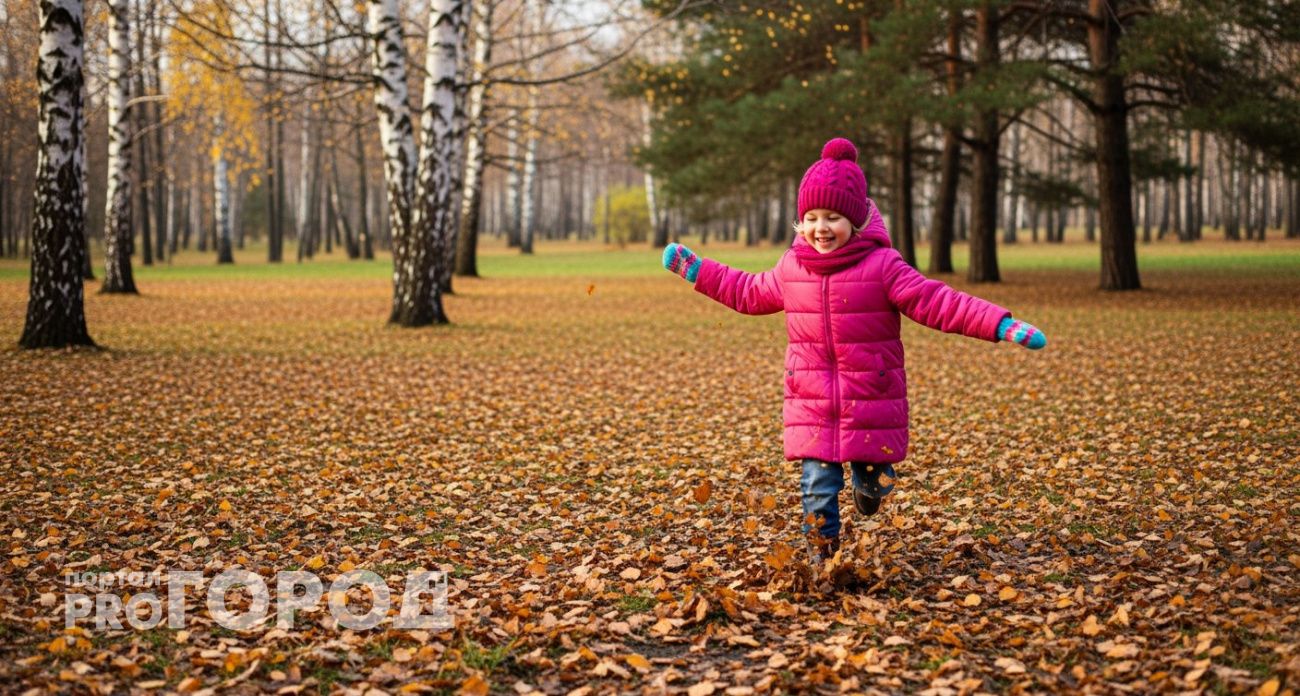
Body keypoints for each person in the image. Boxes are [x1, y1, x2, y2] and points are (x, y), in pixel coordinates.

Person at [660, 137, 1046, 566]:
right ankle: (823, 561)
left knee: (875, 480)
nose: (821, 227)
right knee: (816, 487)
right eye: (811, 217)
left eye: (833, 217)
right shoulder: (793, 267)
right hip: (813, 403)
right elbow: (747, 291)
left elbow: (938, 302)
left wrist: (1000, 324)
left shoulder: (884, 267)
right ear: (799, 222)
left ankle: (870, 489)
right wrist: (697, 270)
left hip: (871, 401)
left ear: (857, 220)